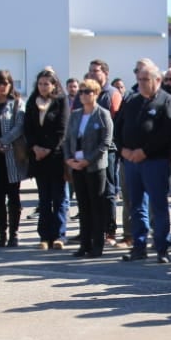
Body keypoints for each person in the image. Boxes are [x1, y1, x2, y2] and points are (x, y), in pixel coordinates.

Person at [116, 60, 171, 263]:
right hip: (130, 162)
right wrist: (123, 149)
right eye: (139, 79)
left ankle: (162, 248)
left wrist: (145, 151)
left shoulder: (166, 101)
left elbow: (167, 132)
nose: (141, 83)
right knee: (136, 206)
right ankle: (139, 246)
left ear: (157, 80)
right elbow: (118, 128)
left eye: (146, 79)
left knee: (158, 206)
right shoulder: (131, 101)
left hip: (154, 162)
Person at [64, 77, 113, 258]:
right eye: (81, 92)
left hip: (95, 166)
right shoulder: (75, 114)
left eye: (87, 92)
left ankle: (97, 245)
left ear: (96, 94)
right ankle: (84, 244)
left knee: (96, 205)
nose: (83, 95)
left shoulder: (102, 114)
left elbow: (106, 142)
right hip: (77, 165)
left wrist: (89, 160)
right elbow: (68, 139)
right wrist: (69, 159)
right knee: (83, 206)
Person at [24, 68, 68, 250]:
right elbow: (28, 129)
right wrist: (35, 147)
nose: (43, 87)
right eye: (40, 84)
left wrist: (48, 149)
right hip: (38, 157)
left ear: (54, 85)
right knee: (43, 198)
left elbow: (62, 129)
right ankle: (44, 236)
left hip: (56, 156)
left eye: (46, 84)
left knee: (58, 197)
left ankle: (59, 235)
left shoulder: (61, 101)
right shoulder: (32, 102)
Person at [0, 69, 27, 248]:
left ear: (10, 84)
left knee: (13, 197)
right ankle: (1, 233)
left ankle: (14, 234)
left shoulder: (17, 103)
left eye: (5, 83)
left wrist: (3, 141)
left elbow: (19, 126)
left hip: (11, 156)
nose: (2, 87)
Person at [88, 59, 123, 247]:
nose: (93, 74)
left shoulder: (111, 94)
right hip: (88, 152)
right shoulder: (88, 93)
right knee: (92, 191)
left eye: (96, 71)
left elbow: (116, 123)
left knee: (108, 190)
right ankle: (93, 228)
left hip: (107, 151)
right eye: (91, 71)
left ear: (105, 74)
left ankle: (110, 230)